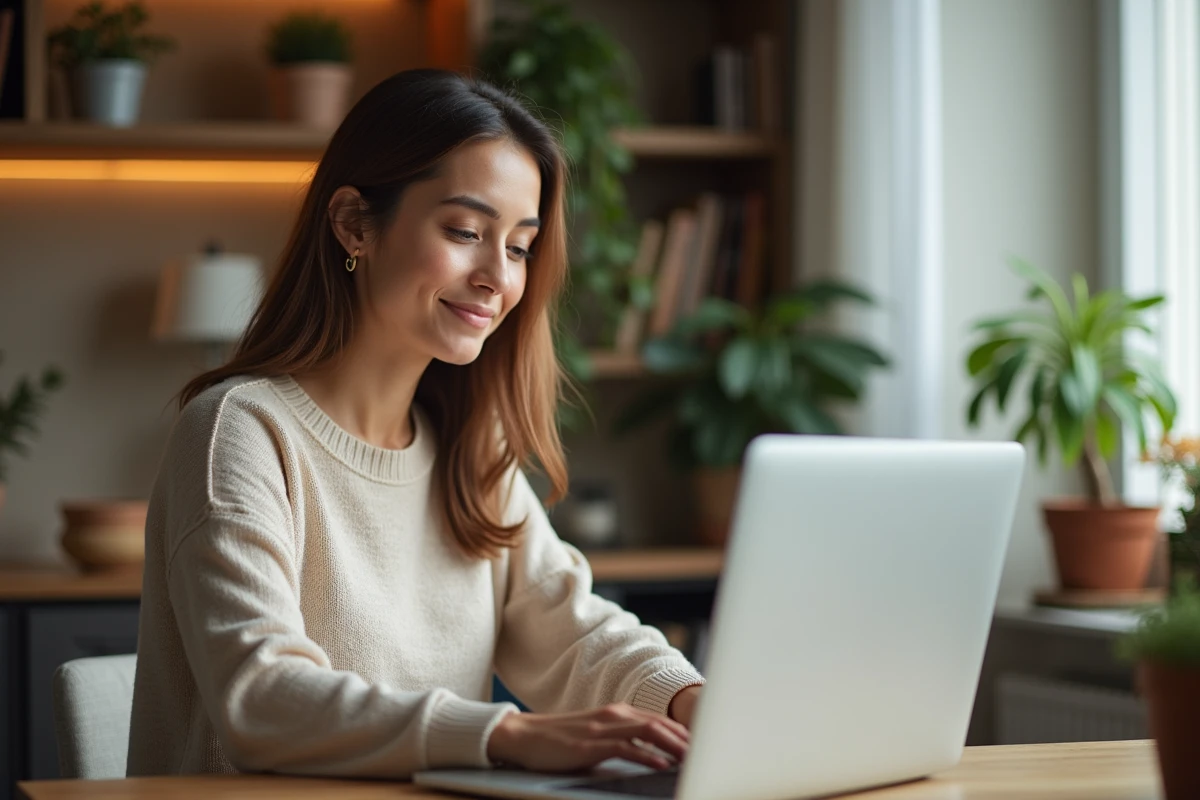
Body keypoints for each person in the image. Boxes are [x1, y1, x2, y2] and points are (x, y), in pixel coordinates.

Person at [126, 69, 705, 780]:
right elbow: (262, 697)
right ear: (353, 223)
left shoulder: (470, 447)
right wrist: (507, 735)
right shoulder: (240, 432)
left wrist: (691, 701)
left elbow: (572, 632)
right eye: (465, 231)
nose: (498, 278)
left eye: (519, 247)